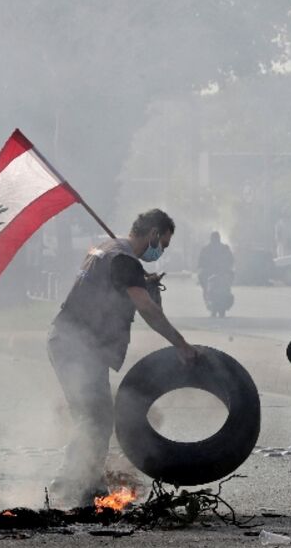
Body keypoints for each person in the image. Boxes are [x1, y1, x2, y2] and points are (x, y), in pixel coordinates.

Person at [48, 208, 200, 507]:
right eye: (163, 245)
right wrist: (180, 343)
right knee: (97, 416)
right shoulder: (124, 259)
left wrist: (143, 282)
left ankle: (77, 479)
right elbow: (147, 310)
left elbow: (115, 291)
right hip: (78, 346)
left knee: (91, 415)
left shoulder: (106, 249)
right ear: (154, 233)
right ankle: (78, 482)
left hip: (73, 343)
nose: (161, 251)